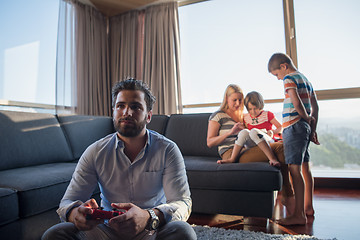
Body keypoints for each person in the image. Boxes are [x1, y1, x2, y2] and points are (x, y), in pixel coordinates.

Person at [42, 78, 196, 240]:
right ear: (113, 112)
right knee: (55, 234)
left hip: (151, 230)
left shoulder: (167, 149)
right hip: (106, 230)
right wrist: (75, 214)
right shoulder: (95, 151)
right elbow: (68, 200)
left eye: (135, 107)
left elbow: (182, 202)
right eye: (120, 106)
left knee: (183, 232)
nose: (126, 112)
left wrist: (148, 216)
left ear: (148, 116)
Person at [207, 84, 294, 212]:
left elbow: (255, 132)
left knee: (282, 145)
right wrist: (230, 133)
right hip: (231, 152)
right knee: (280, 149)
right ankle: (289, 196)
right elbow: (209, 142)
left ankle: (287, 197)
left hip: (248, 148)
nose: (237, 103)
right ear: (226, 98)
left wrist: (269, 132)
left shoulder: (244, 116)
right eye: (234, 100)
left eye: (240, 100)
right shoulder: (218, 115)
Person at [268, 53, 320, 226]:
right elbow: (316, 107)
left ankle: (298, 215)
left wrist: (304, 117)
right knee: (305, 167)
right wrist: (312, 128)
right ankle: (308, 207)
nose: (278, 78)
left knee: (294, 170)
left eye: (276, 74)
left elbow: (297, 103)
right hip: (304, 129)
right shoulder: (306, 80)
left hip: (294, 126)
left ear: (283, 66)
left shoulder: (289, 78)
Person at [217, 91, 282, 168]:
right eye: (250, 109)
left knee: (254, 131)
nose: (253, 112)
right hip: (253, 142)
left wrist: (272, 132)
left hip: (266, 139)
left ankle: (272, 158)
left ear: (260, 106)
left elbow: (280, 127)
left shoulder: (267, 114)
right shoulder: (246, 117)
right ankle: (232, 158)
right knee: (244, 132)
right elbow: (247, 132)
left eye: (255, 109)